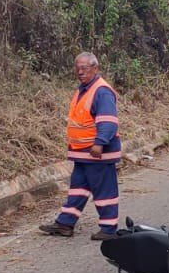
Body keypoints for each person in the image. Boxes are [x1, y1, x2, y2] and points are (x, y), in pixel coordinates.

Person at [39, 52, 122, 241]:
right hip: (83, 154)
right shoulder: (83, 89)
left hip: (97, 153)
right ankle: (65, 223)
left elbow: (108, 121)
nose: (80, 72)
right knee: (78, 188)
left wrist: (100, 143)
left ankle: (109, 229)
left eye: (84, 68)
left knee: (104, 190)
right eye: (77, 68)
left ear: (95, 68)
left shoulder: (101, 91)